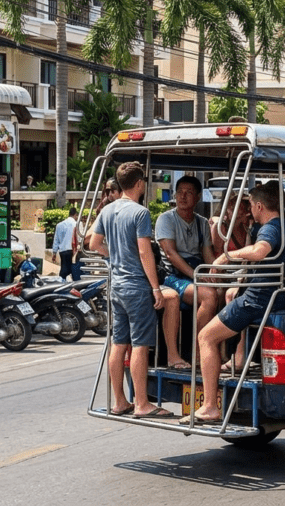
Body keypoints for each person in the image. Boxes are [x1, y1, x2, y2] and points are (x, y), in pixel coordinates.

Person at [188, 182, 285, 424]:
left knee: (205, 337)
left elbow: (259, 251)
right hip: (272, 296)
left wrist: (226, 256)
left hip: (256, 301)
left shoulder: (270, 229)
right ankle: (236, 358)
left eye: (251, 206)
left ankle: (209, 406)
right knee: (231, 296)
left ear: (259, 206)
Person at [90, 161, 174, 419]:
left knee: (119, 343)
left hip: (116, 285)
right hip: (137, 286)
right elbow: (144, 252)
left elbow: (94, 243)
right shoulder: (140, 213)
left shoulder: (107, 211)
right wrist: (156, 288)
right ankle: (141, 404)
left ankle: (119, 401)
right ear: (139, 184)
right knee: (139, 345)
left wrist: (114, 255)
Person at [156, 176, 218, 332]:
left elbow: (208, 255)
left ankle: (223, 350)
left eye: (188, 192)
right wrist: (196, 275)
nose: (182, 196)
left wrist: (216, 272)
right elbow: (170, 254)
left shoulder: (202, 222)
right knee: (209, 295)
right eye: (179, 192)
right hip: (173, 276)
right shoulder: (166, 219)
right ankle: (199, 349)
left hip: (196, 272)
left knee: (225, 292)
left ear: (197, 197)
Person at [52, 207, 78, 281]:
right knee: (73, 270)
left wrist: (54, 252)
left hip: (63, 251)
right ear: (75, 215)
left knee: (64, 270)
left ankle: (62, 284)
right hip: (72, 251)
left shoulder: (59, 225)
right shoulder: (76, 224)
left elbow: (56, 239)